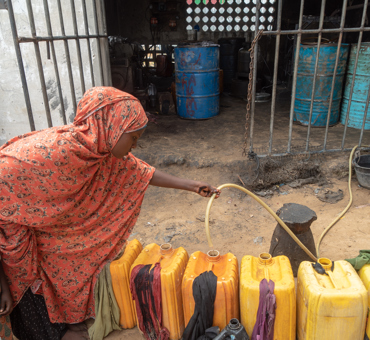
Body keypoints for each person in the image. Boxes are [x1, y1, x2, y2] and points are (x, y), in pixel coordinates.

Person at [0, 87, 220, 340]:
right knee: (29, 305)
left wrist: (193, 186)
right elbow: (7, 173)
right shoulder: (48, 154)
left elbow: (141, 172)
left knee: (71, 261)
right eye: (134, 138)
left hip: (45, 235)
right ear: (111, 126)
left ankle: (67, 324)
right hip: (12, 242)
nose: (135, 145)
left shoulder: (100, 150)